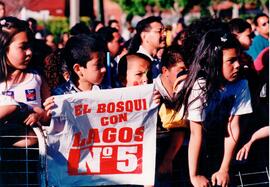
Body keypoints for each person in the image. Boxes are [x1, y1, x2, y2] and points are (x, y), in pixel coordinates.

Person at [174, 30, 252, 187]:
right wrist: (194, 175)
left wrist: (224, 169)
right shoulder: (199, 86)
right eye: (231, 61)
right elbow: (196, 134)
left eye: (238, 59)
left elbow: (232, 127)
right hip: (189, 148)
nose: (238, 65)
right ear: (214, 62)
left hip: (220, 143)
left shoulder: (241, 84)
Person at [0, 16, 50, 185]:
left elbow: (52, 114)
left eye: (30, 46)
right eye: (23, 47)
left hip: (33, 159)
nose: (29, 52)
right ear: (4, 48)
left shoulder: (36, 78)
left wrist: (41, 115)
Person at [43, 33, 107, 114]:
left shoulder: (108, 90)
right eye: (98, 65)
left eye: (103, 62)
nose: (104, 69)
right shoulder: (60, 95)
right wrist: (47, 117)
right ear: (78, 69)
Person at [154, 46, 189, 186]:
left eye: (188, 70)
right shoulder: (151, 91)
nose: (185, 74)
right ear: (165, 71)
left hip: (184, 155)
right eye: (181, 70)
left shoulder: (191, 87)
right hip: (157, 158)